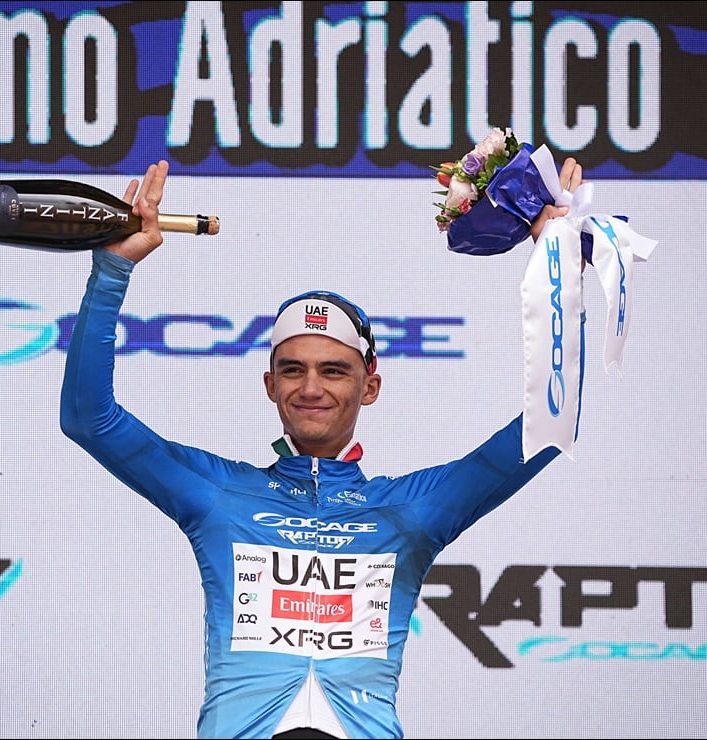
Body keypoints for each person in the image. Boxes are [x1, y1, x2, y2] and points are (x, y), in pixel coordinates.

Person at [59, 159, 586, 739]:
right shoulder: (218, 493)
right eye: (293, 370)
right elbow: (90, 420)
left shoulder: (412, 509)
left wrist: (560, 275)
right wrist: (112, 270)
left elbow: (548, 426)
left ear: (370, 386)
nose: (310, 388)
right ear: (270, 385)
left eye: (333, 370)